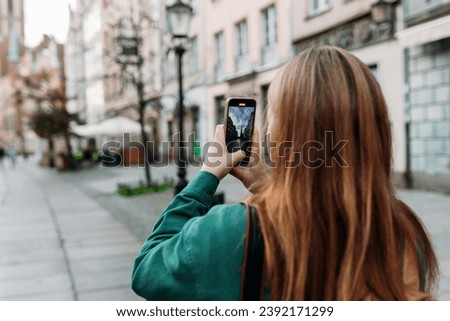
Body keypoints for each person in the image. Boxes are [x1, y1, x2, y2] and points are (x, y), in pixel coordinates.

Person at [131, 46, 438, 300]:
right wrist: (266, 187)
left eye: (275, 113)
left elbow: (147, 270)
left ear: (284, 133)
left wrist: (207, 176)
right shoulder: (402, 229)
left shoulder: (234, 231)